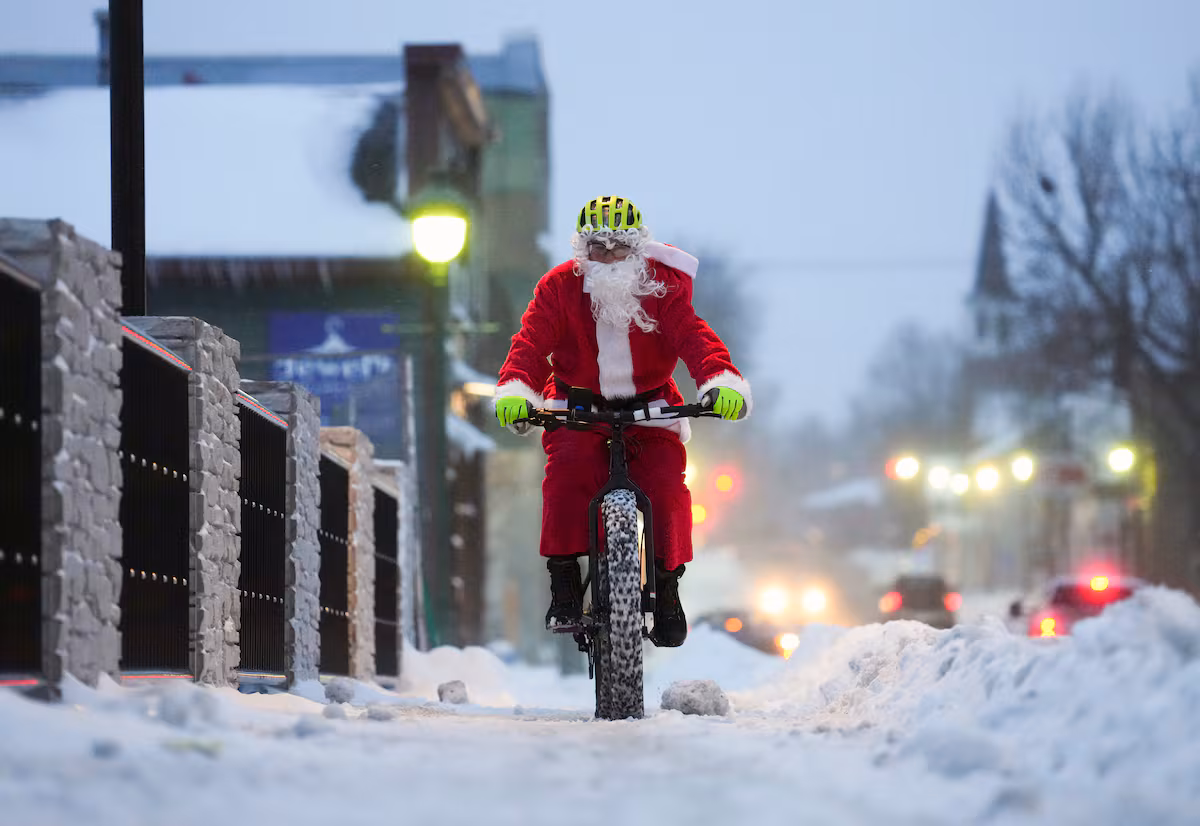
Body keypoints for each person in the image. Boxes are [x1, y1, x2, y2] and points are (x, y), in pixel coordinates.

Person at [493, 195, 751, 647]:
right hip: (578, 410)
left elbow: (694, 336)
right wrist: (516, 389)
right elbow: (530, 343)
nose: (610, 257)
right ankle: (564, 584)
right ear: (583, 249)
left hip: (650, 410)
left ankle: (667, 587)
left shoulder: (662, 288)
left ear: (638, 248)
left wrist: (718, 379)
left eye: (621, 247)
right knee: (566, 477)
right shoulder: (559, 288)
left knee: (667, 487)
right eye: (599, 247)